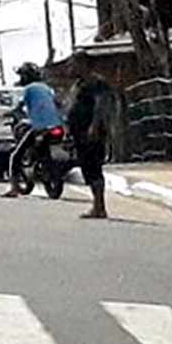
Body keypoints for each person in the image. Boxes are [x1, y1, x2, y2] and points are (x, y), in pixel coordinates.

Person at [1, 62, 63, 198]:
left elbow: (20, 106)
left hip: (40, 128)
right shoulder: (47, 88)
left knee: (15, 156)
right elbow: (58, 103)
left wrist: (10, 112)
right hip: (56, 126)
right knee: (44, 150)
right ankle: (44, 169)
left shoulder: (28, 89)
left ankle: (14, 188)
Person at [68, 53, 111, 219]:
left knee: (94, 167)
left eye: (74, 64)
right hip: (79, 132)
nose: (71, 68)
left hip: (91, 132)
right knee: (86, 167)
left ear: (84, 64)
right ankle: (96, 205)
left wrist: (94, 126)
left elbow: (100, 105)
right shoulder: (79, 84)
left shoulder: (96, 82)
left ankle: (100, 206)